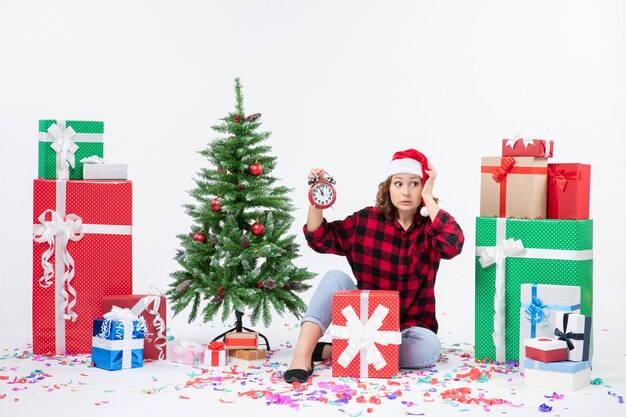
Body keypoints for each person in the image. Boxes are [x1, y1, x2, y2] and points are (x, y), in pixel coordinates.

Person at [283, 148, 465, 384]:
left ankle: (337, 351)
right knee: (335, 277)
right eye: (398, 184)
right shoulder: (366, 221)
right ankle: (302, 355)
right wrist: (317, 199)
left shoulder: (431, 229)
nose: (406, 192)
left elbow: (454, 244)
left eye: (415, 184)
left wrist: (429, 199)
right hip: (363, 322)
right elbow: (319, 238)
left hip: (408, 330)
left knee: (429, 348)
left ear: (424, 187)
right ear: (388, 187)